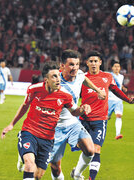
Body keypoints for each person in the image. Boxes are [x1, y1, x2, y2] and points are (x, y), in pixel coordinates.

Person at [1, 62, 91, 180]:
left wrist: (83, 109)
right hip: (30, 133)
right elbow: (25, 105)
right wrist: (11, 124)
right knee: (29, 165)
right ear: (46, 79)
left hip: (47, 139)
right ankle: (24, 156)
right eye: (54, 76)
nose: (58, 79)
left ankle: (22, 156)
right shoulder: (34, 89)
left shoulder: (65, 96)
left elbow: (74, 112)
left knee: (38, 176)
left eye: (58, 75)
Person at [77, 51, 134, 180]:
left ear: (100, 62)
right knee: (86, 150)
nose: (93, 64)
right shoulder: (81, 78)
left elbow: (116, 90)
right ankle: (77, 172)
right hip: (83, 120)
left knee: (96, 149)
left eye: (96, 61)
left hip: (100, 120)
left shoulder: (107, 77)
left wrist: (128, 100)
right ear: (87, 63)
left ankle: (91, 178)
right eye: (91, 61)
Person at [50, 49, 106, 180]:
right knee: (55, 166)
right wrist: (82, 108)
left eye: (77, 64)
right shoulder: (54, 82)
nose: (75, 68)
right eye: (71, 65)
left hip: (73, 123)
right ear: (62, 65)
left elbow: (83, 78)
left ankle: (77, 174)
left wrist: (97, 90)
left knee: (90, 150)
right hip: (56, 126)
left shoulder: (79, 74)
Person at [108, 60, 128, 140]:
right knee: (106, 118)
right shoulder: (109, 75)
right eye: (115, 66)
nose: (117, 68)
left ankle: (118, 134)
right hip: (109, 99)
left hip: (118, 100)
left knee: (119, 116)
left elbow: (119, 85)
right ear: (112, 68)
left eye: (118, 67)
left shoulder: (121, 76)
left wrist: (123, 88)